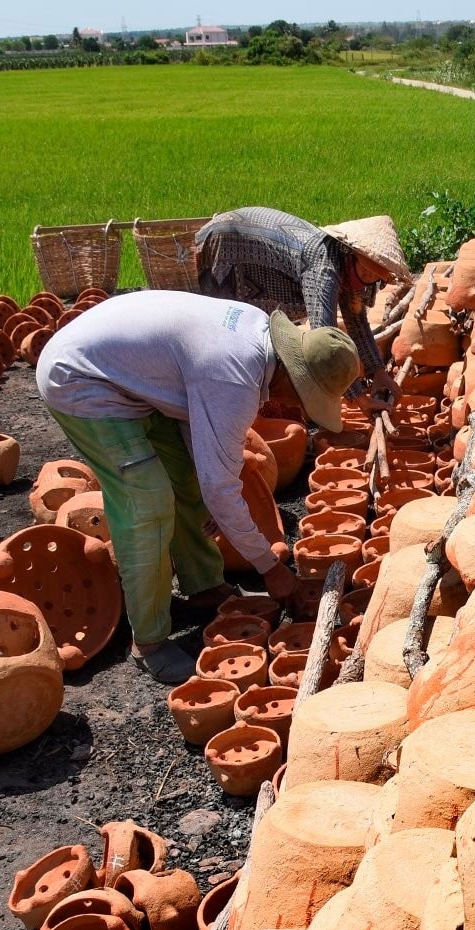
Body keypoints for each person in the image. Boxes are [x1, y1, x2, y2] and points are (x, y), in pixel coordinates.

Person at [37, 290, 360, 684]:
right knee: (147, 500)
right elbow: (221, 479)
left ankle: (203, 585)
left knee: (187, 479)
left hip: (131, 377)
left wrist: (213, 492)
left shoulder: (253, 337)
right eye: (305, 401)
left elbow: (202, 434)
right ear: (294, 376)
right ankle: (149, 642)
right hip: (82, 379)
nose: (297, 410)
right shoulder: (234, 376)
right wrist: (271, 568)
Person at [194, 208, 410, 399]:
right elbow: (324, 345)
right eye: (364, 272)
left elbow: (357, 320)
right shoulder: (323, 270)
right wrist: (359, 399)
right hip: (227, 241)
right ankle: (223, 390)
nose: (366, 280)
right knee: (229, 326)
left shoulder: (359, 272)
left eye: (374, 277)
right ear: (349, 253)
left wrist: (378, 371)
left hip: (254, 241)